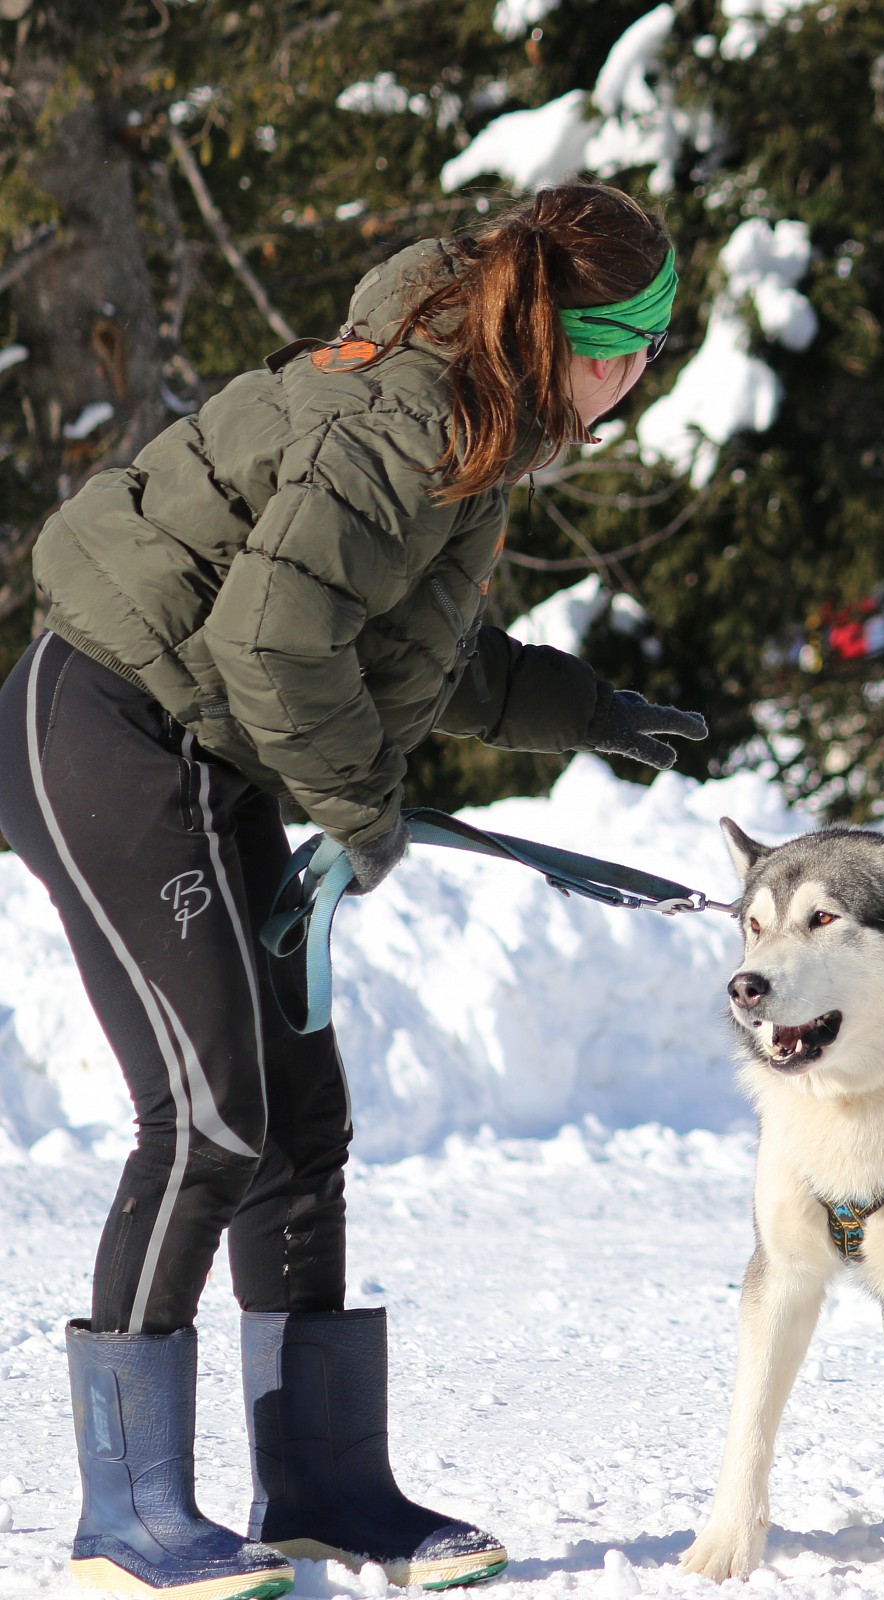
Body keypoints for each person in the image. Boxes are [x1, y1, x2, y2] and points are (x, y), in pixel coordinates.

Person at [0, 183, 707, 1600]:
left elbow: (407, 641)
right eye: (640, 347)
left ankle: (321, 1488)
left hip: (197, 741)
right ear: (582, 342)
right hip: (104, 725)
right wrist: (361, 815)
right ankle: (124, 1521)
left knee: (298, 1118)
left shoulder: (471, 408)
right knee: (210, 1116)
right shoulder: (411, 415)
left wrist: (589, 710)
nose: (642, 377)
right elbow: (273, 641)